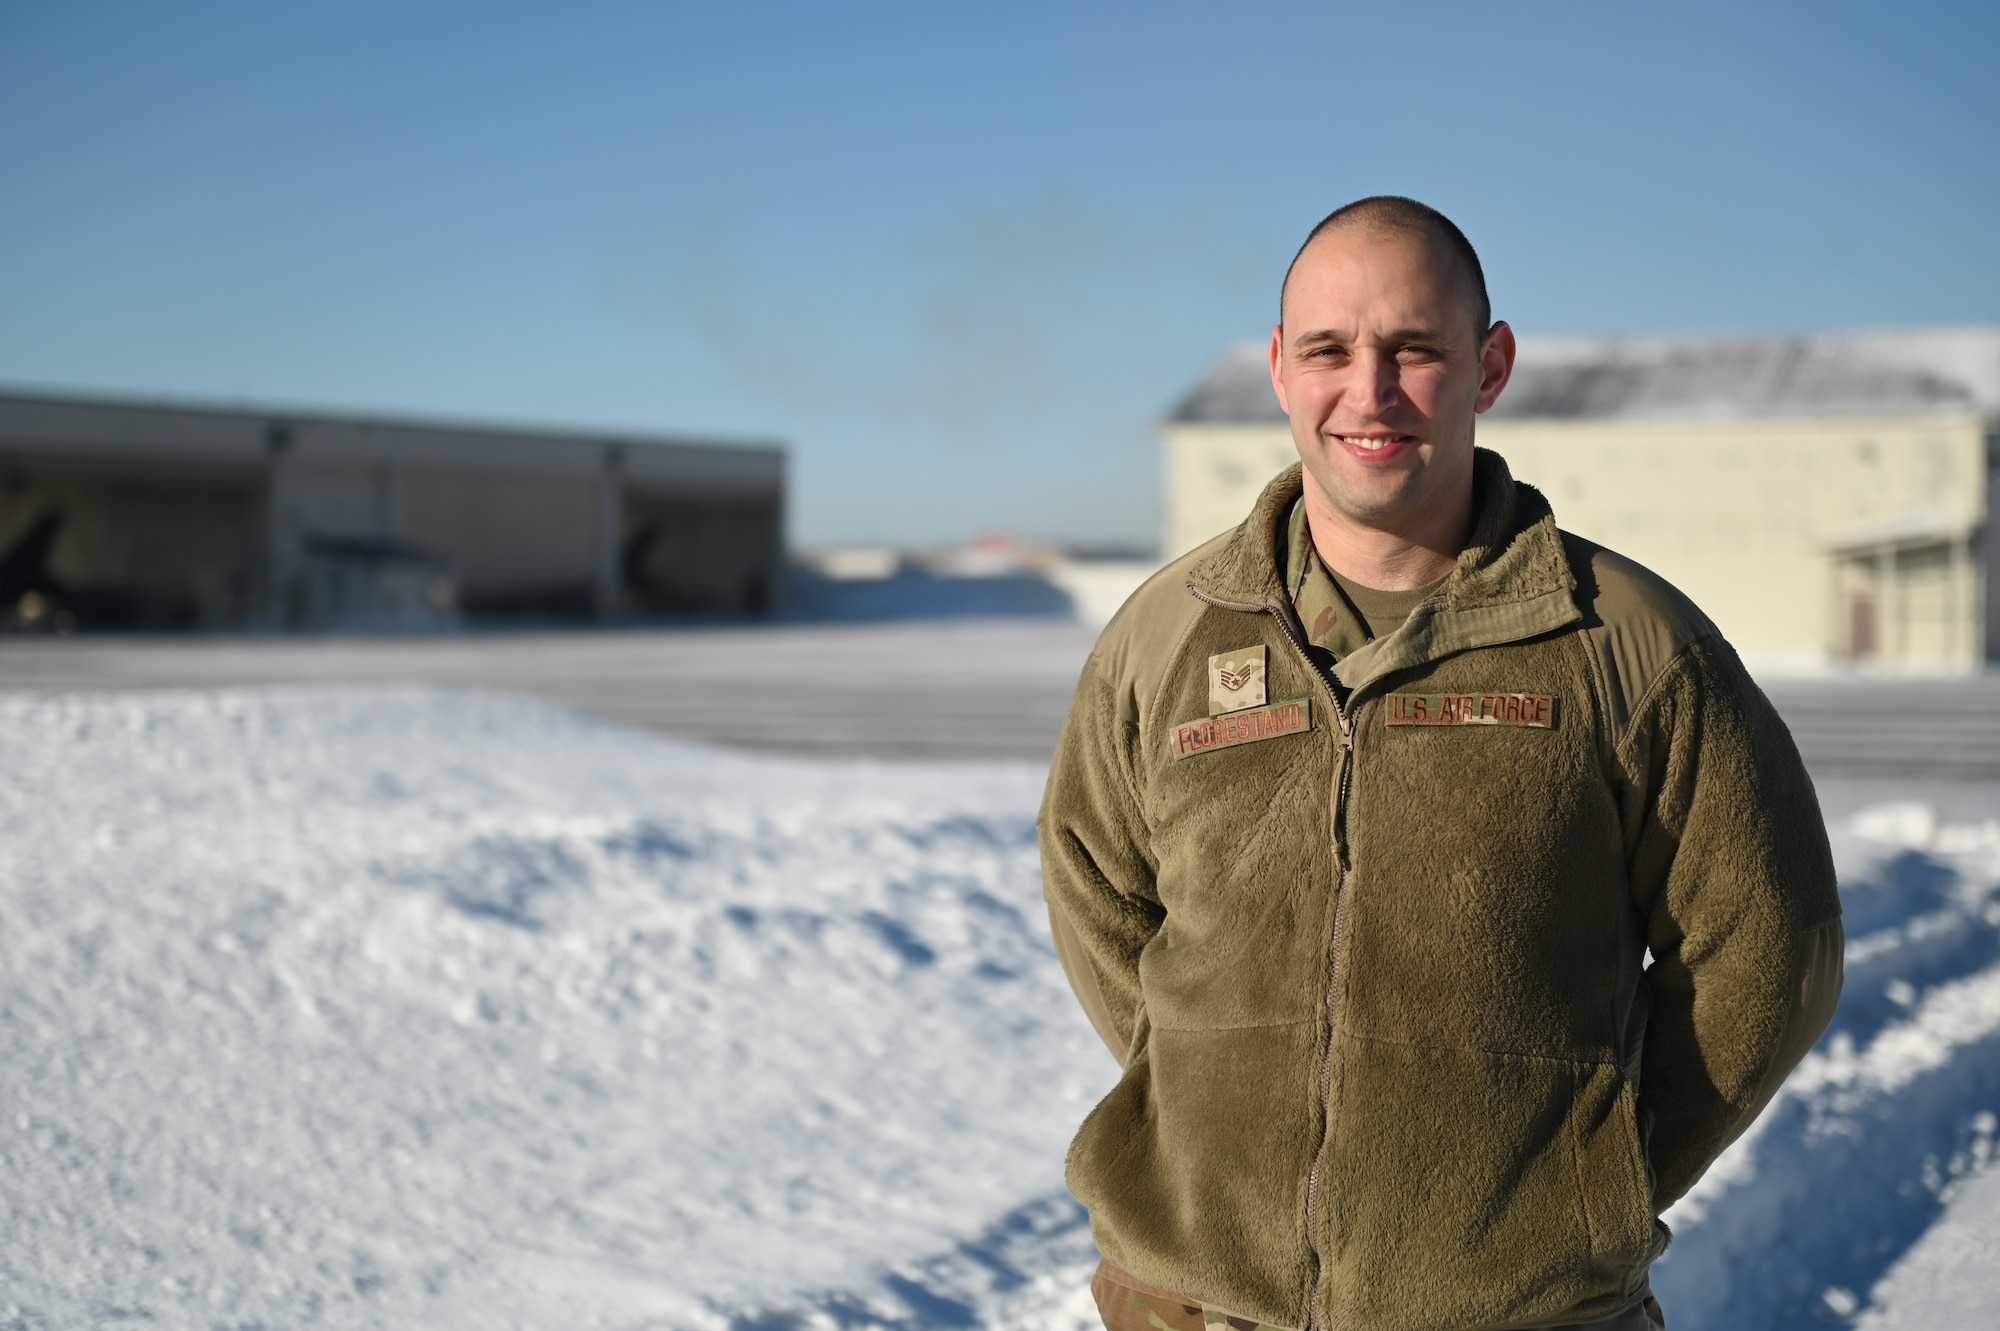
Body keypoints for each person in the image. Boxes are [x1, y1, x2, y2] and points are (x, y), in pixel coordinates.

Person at [1038, 197, 1843, 1331]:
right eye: (1327, 349)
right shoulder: (1168, 636)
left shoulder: (1626, 642)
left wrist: (1584, 1175)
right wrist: (1210, 1097)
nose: (1366, 392)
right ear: (1279, 368)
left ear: (1489, 364)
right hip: (1188, 1306)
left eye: (1411, 349)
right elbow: (1099, 893)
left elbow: (1768, 947)